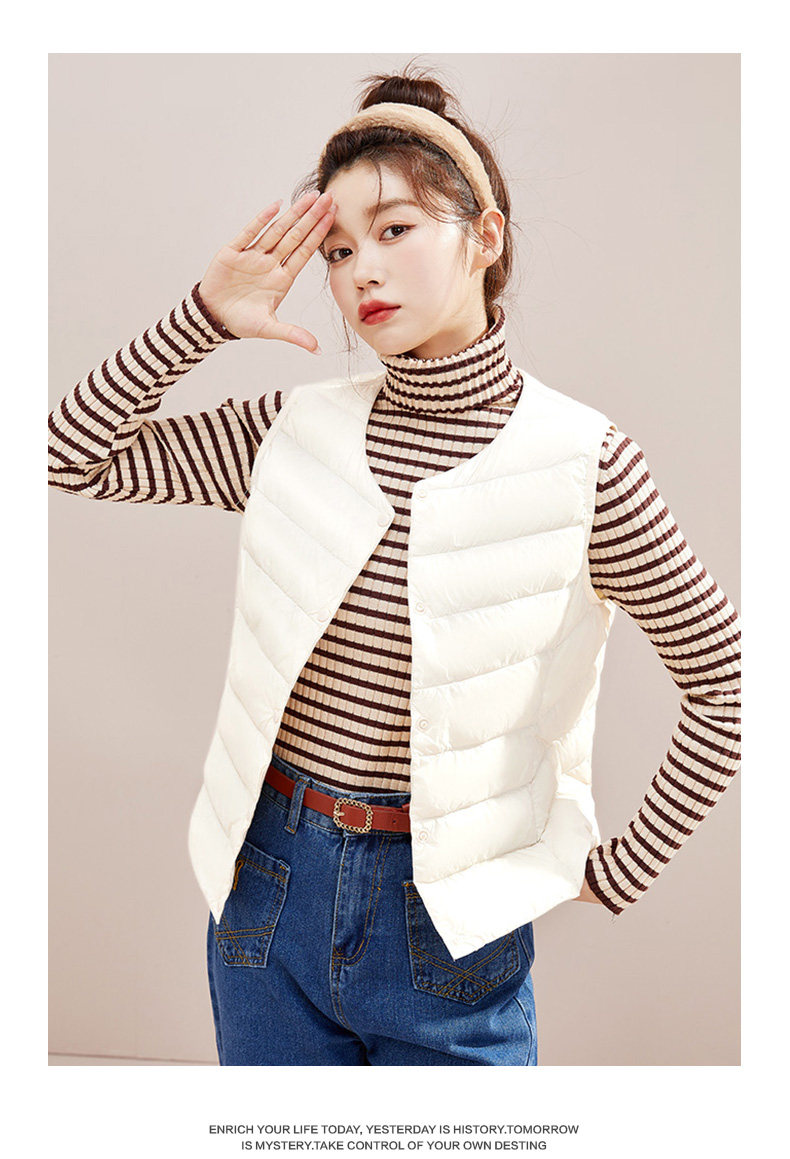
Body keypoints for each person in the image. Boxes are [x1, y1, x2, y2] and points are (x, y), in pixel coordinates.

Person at [48, 64, 741, 1067]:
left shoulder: (585, 463)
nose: (359, 272)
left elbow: (728, 681)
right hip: (268, 886)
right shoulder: (293, 431)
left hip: (448, 916)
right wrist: (202, 316)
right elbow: (68, 455)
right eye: (337, 250)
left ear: (485, 237)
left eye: (395, 229)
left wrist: (621, 867)